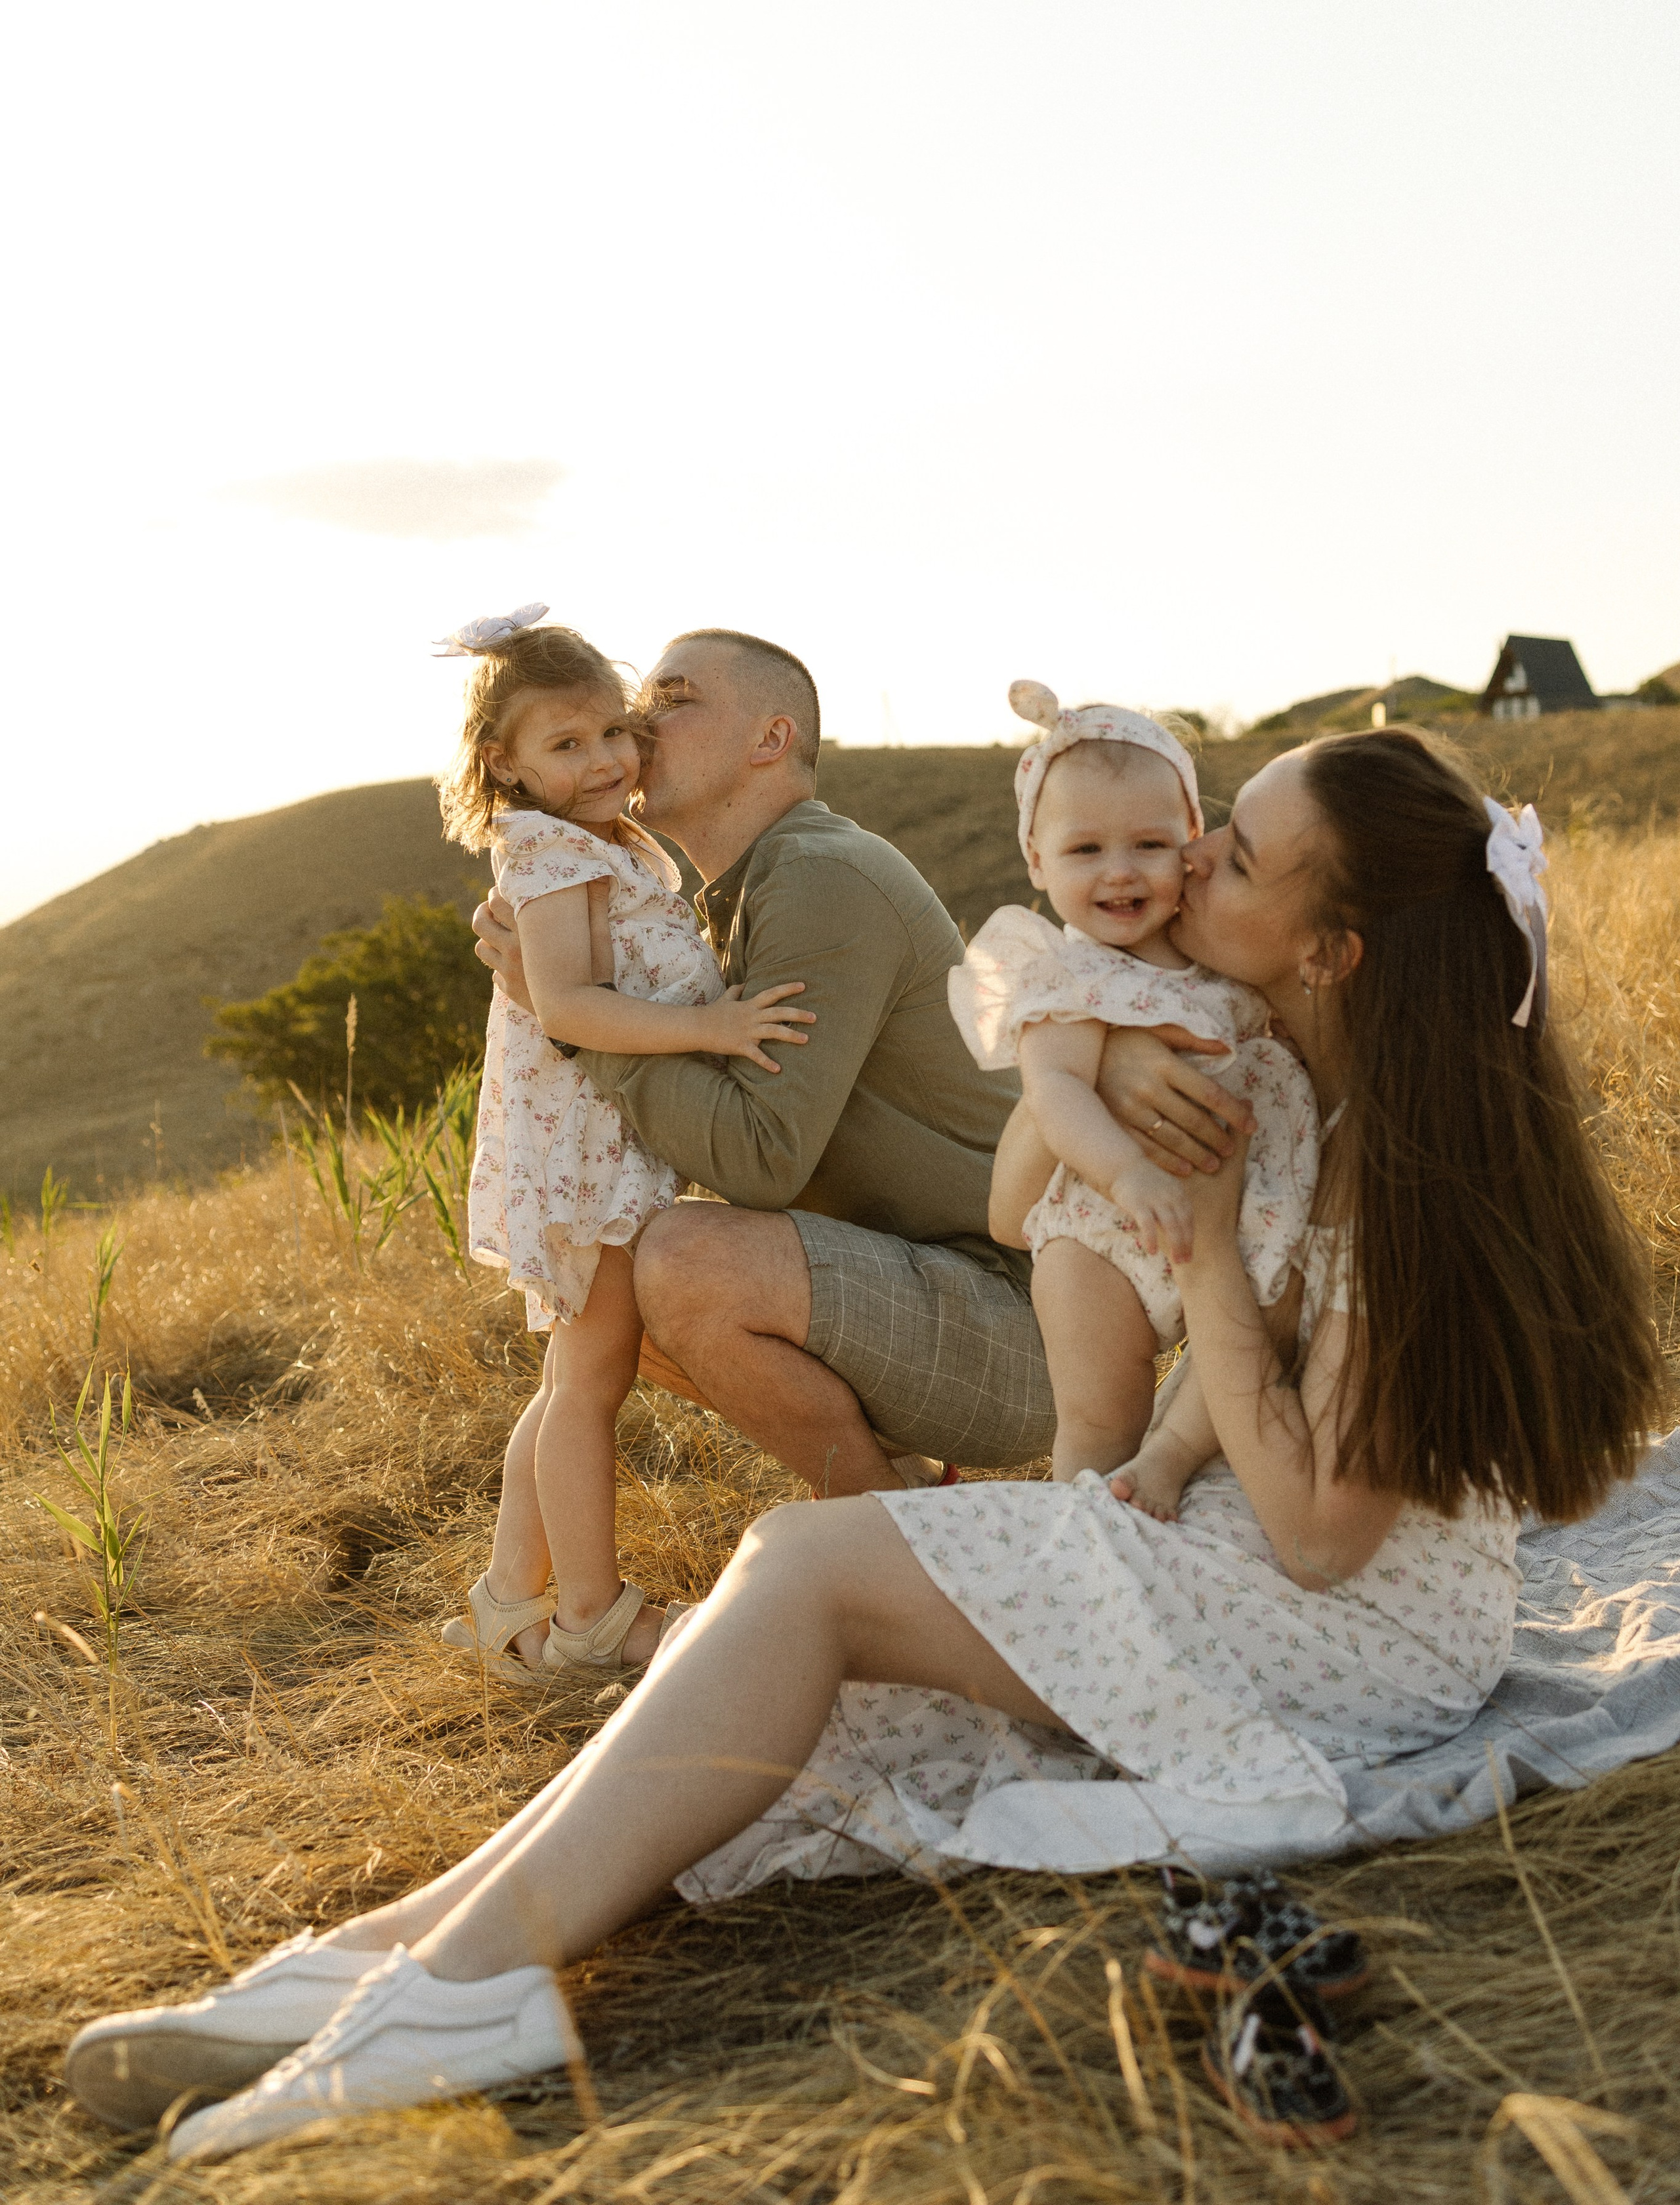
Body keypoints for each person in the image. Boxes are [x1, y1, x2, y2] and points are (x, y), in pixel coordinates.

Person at [68, 728, 1662, 2164]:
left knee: (804, 1568)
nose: (1182, 862)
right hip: (1264, 1545)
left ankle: (472, 1989)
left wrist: (1200, 1264)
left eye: (1229, 853)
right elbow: (1018, 1176)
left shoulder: (1410, 1194)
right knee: (796, 1650)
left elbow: (1320, 1533)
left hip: (1353, 1631)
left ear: (1328, 949)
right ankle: (399, 1949)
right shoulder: (1285, 1065)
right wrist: (1091, 1069)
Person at [478, 627, 1186, 1494]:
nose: (634, 720)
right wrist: (576, 988)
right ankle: (908, 1491)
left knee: (678, 1262)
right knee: (605, 1278)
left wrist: (580, 1029)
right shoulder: (736, 900)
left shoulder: (820, 876)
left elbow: (761, 1159)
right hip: (944, 1293)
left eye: (673, 699)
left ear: (770, 741)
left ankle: (894, 1541)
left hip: (1038, 1328)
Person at [433, 608, 816, 1681]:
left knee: (572, 1377)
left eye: (613, 731)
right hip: (584, 1157)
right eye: (566, 745)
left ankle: (509, 1600)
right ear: (503, 764)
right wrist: (712, 1027)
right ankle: (592, 1617)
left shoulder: (605, 839)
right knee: (590, 1385)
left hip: (606, 1142)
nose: (604, 757)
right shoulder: (548, 851)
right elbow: (571, 1007)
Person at [950, 680, 1317, 1486]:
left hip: (1245, 1212)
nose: (1119, 873)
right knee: (1094, 1415)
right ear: (1036, 862)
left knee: (1264, 1327)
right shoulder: (1068, 980)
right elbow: (1055, 1095)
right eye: (1086, 851)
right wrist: (1126, 1174)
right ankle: (1084, 1525)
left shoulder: (1224, 954)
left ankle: (1167, 1461)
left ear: (1192, 839)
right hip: (1097, 1231)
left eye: (1147, 845)